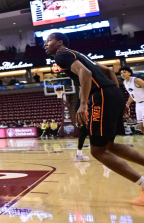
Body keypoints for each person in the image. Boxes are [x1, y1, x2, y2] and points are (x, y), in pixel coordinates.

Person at [45, 32, 144, 206]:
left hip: (101, 95)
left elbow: (85, 72)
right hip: (111, 93)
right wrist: (116, 94)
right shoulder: (80, 54)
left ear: (59, 43)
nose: (45, 44)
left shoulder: (61, 55)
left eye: (49, 41)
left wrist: (83, 104)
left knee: (97, 151)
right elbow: (109, 70)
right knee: (109, 145)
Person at [120, 67, 144, 131]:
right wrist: (127, 104)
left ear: (130, 73)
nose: (122, 74)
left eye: (124, 72)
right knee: (141, 127)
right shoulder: (125, 82)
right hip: (138, 104)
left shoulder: (136, 80)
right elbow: (131, 94)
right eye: (121, 73)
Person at [74, 94, 90, 162]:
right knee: (85, 131)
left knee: (84, 132)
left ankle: (79, 154)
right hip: (83, 107)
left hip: (82, 106)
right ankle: (78, 155)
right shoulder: (85, 86)